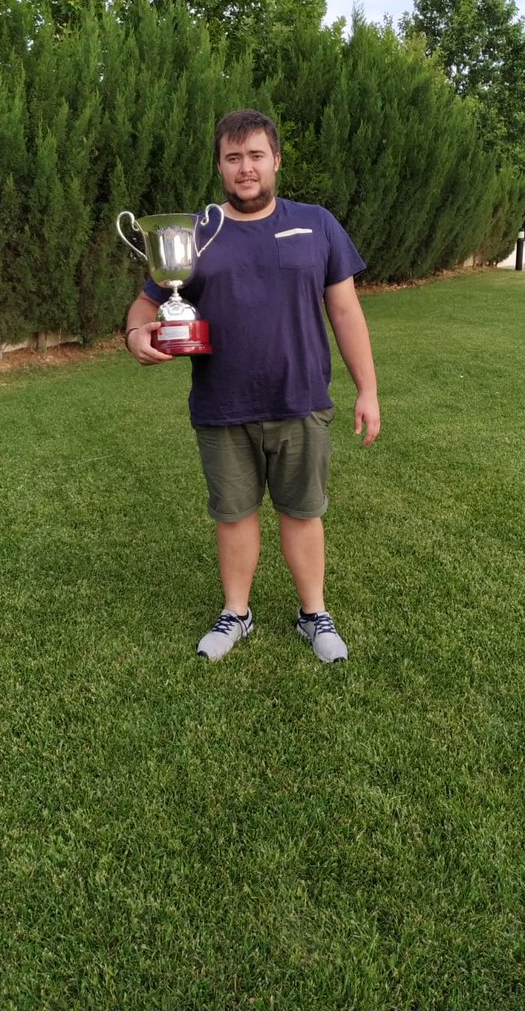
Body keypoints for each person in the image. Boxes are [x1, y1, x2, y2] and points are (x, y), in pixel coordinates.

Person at [124, 109, 380, 663]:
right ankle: (236, 613)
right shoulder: (195, 233)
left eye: (256, 156)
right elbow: (150, 302)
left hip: (301, 399)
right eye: (233, 158)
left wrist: (368, 389)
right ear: (219, 166)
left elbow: (345, 309)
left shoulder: (317, 224)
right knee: (234, 514)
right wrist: (134, 335)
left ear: (276, 160)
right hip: (223, 403)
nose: (245, 169)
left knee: (303, 511)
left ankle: (314, 614)